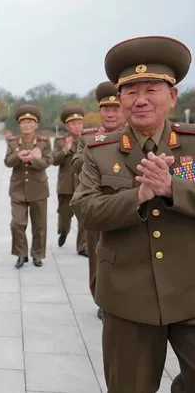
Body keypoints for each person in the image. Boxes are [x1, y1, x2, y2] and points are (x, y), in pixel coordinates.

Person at [70, 36, 193, 392]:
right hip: (127, 295)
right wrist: (137, 196)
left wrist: (174, 189)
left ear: (172, 96)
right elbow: (86, 210)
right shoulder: (100, 152)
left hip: (190, 287)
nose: (140, 100)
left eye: (151, 88)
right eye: (130, 91)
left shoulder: (193, 143)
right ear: (120, 99)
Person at [72, 81, 126, 320]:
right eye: (106, 109)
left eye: (115, 109)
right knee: (97, 256)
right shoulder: (90, 139)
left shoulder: (133, 136)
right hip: (98, 204)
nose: (111, 113)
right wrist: (100, 160)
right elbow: (76, 164)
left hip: (127, 204)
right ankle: (101, 299)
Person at [5, 105, 52, 268]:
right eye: (23, 122)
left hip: (38, 189)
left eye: (30, 122)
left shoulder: (44, 142)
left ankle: (37, 254)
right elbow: (7, 162)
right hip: (18, 189)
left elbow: (47, 162)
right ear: (19, 125)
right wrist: (18, 156)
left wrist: (33, 160)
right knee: (17, 223)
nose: (26, 125)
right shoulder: (12, 142)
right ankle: (21, 253)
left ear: (36, 124)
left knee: (39, 225)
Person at [52, 103, 87, 257]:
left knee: (84, 217)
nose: (77, 127)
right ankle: (64, 231)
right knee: (64, 214)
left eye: (79, 123)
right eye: (73, 124)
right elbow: (54, 160)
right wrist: (64, 151)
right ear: (67, 126)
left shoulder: (88, 140)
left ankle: (82, 246)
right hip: (66, 185)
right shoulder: (60, 141)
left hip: (83, 184)